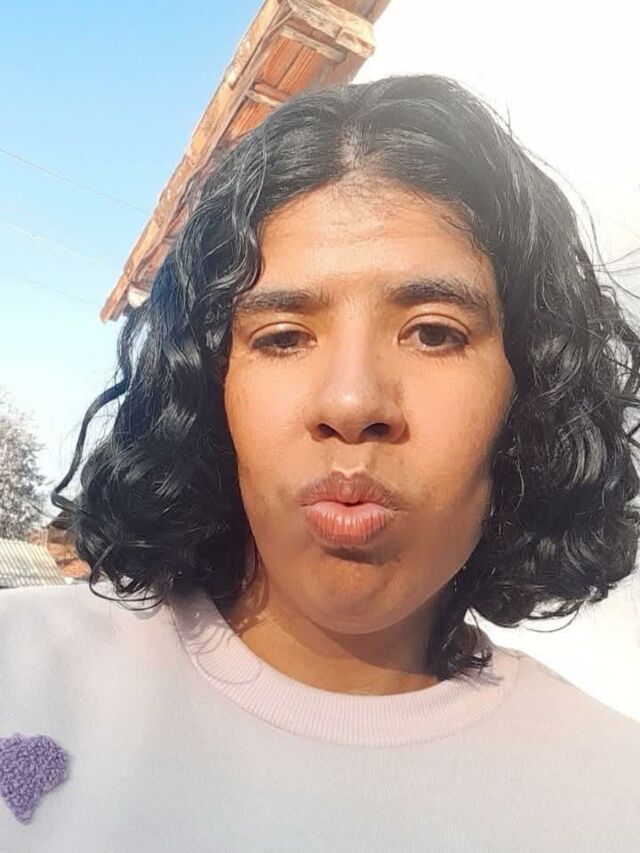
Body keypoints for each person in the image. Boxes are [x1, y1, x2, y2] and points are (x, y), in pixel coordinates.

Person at [2, 73, 639, 850]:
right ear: (208, 385)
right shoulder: (20, 674)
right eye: (282, 337)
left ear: (529, 390)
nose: (351, 400)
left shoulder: (612, 797)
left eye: (434, 332)